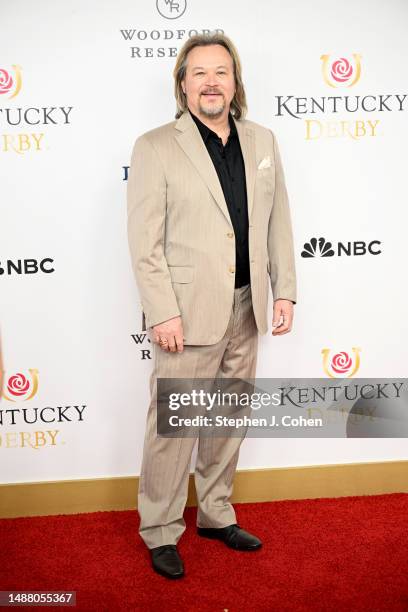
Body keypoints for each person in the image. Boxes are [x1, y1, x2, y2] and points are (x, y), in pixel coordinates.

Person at [127, 32, 297, 579]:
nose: (210, 82)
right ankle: (159, 529)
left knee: (228, 417)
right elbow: (144, 242)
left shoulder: (263, 141)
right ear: (182, 84)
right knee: (174, 425)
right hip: (186, 311)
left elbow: (279, 225)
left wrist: (285, 289)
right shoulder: (155, 146)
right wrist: (162, 311)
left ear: (235, 80)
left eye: (220, 72)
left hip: (247, 305)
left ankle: (216, 513)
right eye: (198, 73)